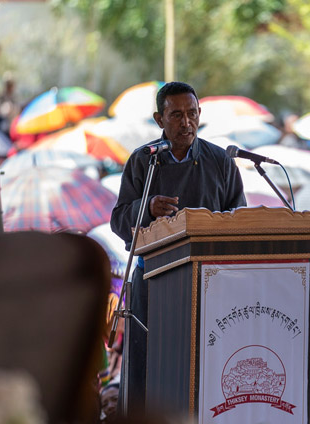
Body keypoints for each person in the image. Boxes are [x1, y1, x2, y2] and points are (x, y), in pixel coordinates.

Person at [110, 81, 246, 412]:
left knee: (203, 361)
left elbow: (240, 218)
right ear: (160, 119)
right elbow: (118, 220)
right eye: (176, 115)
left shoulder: (220, 161)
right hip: (152, 281)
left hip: (210, 282)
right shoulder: (144, 161)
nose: (186, 122)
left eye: (192, 113)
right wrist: (148, 207)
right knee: (150, 361)